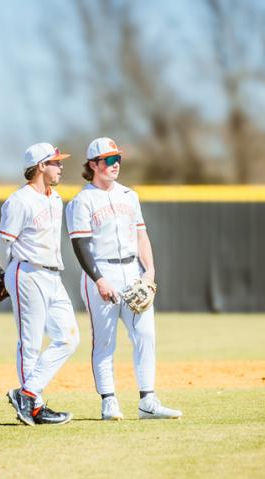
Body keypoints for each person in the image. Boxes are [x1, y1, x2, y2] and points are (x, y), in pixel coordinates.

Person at [65, 137, 182, 420]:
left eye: (118, 159)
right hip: (102, 272)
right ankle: (108, 401)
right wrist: (98, 279)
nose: (115, 164)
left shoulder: (130, 195)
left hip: (133, 272)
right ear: (93, 165)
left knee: (146, 335)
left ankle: (148, 401)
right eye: (108, 160)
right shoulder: (82, 201)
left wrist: (150, 271)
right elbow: (80, 244)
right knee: (105, 342)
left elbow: (141, 234)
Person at [0, 142, 80, 426]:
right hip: (27, 273)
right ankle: (34, 407)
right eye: (55, 162)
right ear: (41, 166)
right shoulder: (19, 201)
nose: (61, 167)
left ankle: (27, 394)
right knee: (30, 345)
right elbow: (1, 244)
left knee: (69, 338)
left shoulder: (55, 199)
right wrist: (9, 273)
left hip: (53, 275)